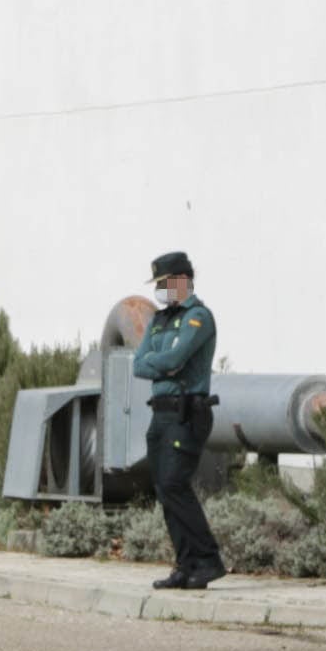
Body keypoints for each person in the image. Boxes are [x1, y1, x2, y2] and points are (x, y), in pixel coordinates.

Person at [134, 250, 226, 590]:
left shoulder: (198, 317)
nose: (161, 289)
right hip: (160, 413)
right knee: (164, 489)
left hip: (188, 412)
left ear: (183, 280)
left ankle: (207, 559)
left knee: (174, 483)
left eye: (165, 283)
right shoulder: (160, 321)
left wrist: (166, 362)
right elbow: (138, 363)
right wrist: (166, 364)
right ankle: (187, 565)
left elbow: (176, 357)